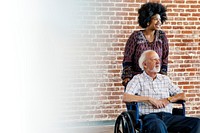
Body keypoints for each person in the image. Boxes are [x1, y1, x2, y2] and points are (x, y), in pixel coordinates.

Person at [123, 50, 200, 133]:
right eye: (154, 59)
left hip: (169, 117)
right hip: (150, 118)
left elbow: (182, 95)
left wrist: (168, 99)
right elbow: (126, 97)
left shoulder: (165, 79)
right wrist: (149, 99)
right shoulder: (138, 79)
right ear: (145, 64)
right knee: (158, 125)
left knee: (197, 123)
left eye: (158, 59)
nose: (158, 62)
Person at [122, 2, 169, 87]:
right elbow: (127, 58)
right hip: (137, 78)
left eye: (160, 19)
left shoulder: (162, 36)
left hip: (155, 79)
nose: (159, 22)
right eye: (155, 19)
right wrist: (127, 77)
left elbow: (165, 59)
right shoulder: (135, 36)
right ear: (147, 20)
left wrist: (163, 76)